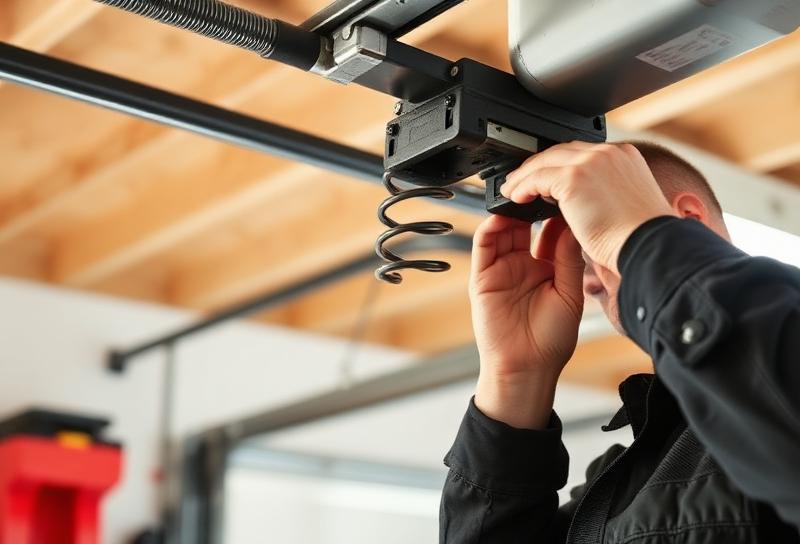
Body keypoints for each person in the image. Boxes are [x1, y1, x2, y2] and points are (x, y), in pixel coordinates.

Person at [440, 141, 800, 543]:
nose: (584, 279)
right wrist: (514, 376)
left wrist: (643, 239)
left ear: (689, 223)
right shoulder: (618, 487)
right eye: (578, 255)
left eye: (595, 237)